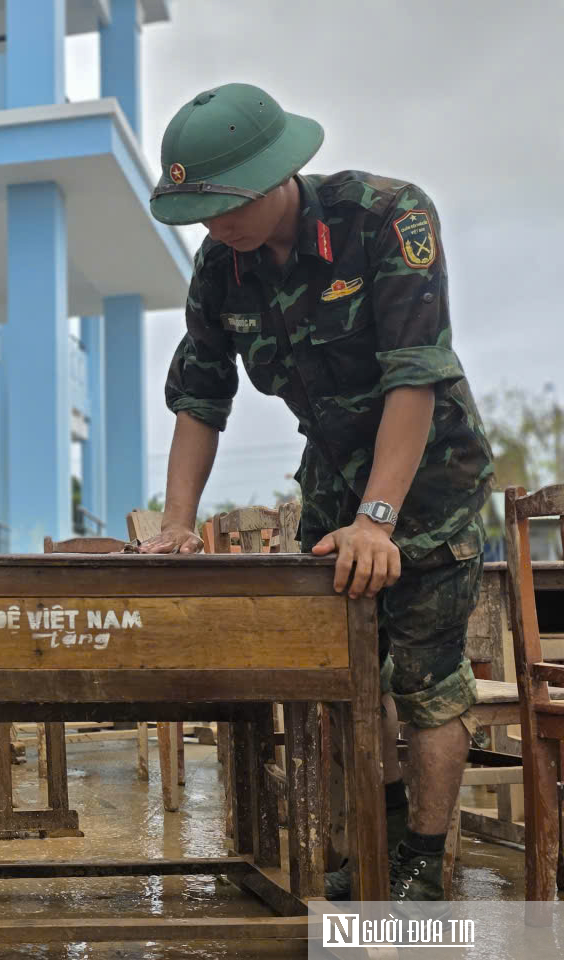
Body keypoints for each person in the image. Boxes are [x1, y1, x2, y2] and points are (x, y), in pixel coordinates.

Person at [142, 83, 493, 904]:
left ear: (276, 176)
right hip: (333, 479)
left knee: (429, 681)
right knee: (339, 678)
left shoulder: (387, 218)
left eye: (223, 205)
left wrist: (381, 521)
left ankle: (422, 867)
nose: (211, 224)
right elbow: (200, 397)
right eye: (198, 209)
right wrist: (177, 524)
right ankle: (382, 832)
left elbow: (415, 376)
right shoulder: (219, 269)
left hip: (428, 479)